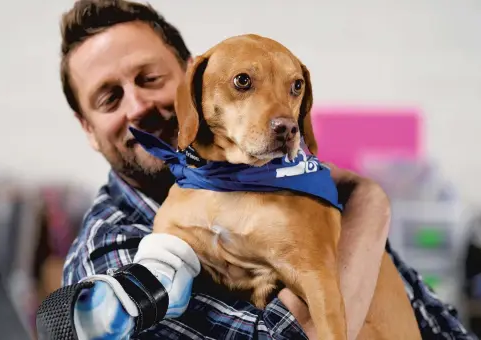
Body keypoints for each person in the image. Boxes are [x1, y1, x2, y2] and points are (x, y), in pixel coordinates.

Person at [44, 0, 475, 339]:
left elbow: (425, 307)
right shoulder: (110, 250)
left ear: (188, 74)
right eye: (109, 98)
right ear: (87, 127)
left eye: (150, 78)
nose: (138, 106)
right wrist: (371, 203)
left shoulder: (297, 181)